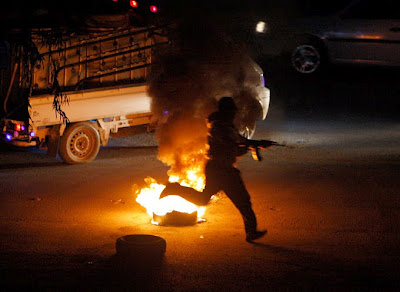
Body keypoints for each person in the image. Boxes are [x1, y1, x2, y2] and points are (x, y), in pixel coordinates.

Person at [161, 97, 268, 242]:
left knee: (207, 199)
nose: (234, 113)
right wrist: (250, 146)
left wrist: (256, 144)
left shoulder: (224, 124)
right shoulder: (219, 127)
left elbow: (239, 139)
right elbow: (234, 147)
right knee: (241, 200)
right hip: (221, 170)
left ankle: (251, 232)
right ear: (226, 111)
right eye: (232, 110)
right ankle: (174, 188)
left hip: (220, 169)